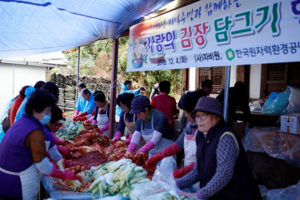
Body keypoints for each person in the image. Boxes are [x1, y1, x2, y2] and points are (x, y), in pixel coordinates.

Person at [175, 97, 261, 200]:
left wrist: (200, 195)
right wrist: (175, 184)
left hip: (236, 195)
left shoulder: (225, 137)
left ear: (217, 117)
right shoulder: (202, 136)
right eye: (197, 116)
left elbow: (224, 174)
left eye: (203, 115)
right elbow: (197, 171)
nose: (199, 120)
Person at [0, 89, 79, 200]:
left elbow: (51, 153)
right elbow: (42, 166)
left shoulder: (22, 122)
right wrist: (64, 175)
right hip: (17, 185)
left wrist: (64, 163)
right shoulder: (35, 132)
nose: (50, 115)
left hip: (4, 181)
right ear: (35, 111)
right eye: (47, 111)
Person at [146, 91, 201, 178]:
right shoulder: (189, 123)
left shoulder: (205, 130)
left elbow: (202, 162)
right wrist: (159, 155)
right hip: (189, 173)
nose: (185, 115)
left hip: (201, 176)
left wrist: (176, 174)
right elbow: (179, 143)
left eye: (186, 112)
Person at [126, 95, 174, 162]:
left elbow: (154, 140)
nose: (137, 115)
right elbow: (136, 136)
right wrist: (129, 151)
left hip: (166, 155)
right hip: (153, 154)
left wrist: (137, 153)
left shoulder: (160, 118)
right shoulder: (140, 120)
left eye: (138, 112)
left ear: (146, 108)